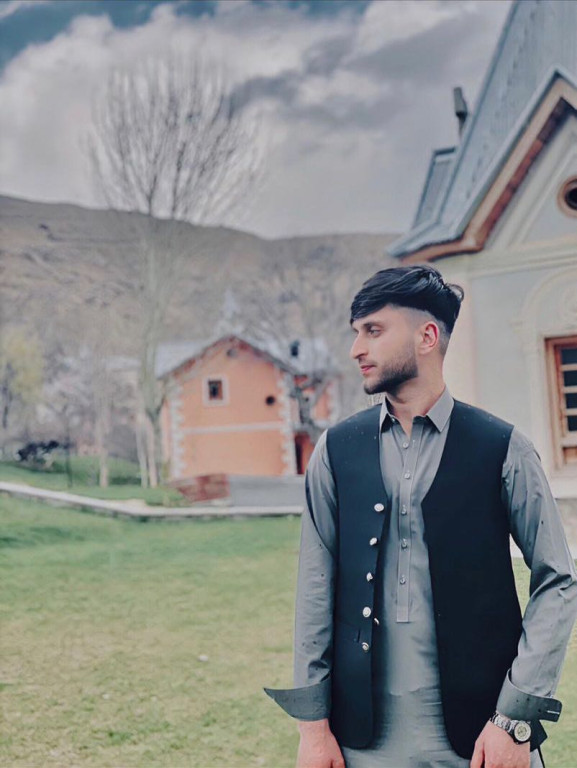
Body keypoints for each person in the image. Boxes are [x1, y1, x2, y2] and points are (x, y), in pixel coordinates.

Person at [264, 265, 577, 768]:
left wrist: (515, 719)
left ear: (427, 336)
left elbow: (558, 579)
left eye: (373, 330)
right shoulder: (335, 450)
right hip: (362, 745)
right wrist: (313, 728)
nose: (356, 349)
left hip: (486, 741)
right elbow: (314, 588)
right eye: (355, 332)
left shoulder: (504, 448)